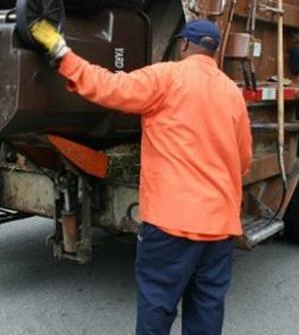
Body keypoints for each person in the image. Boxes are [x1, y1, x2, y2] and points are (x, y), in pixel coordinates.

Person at [31, 19, 252, 334]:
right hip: (218, 229)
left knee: (157, 307)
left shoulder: (165, 77)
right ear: (214, 52)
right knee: (207, 312)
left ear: (184, 45)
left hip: (171, 225)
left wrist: (63, 54)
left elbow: (108, 87)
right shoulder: (232, 93)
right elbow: (243, 159)